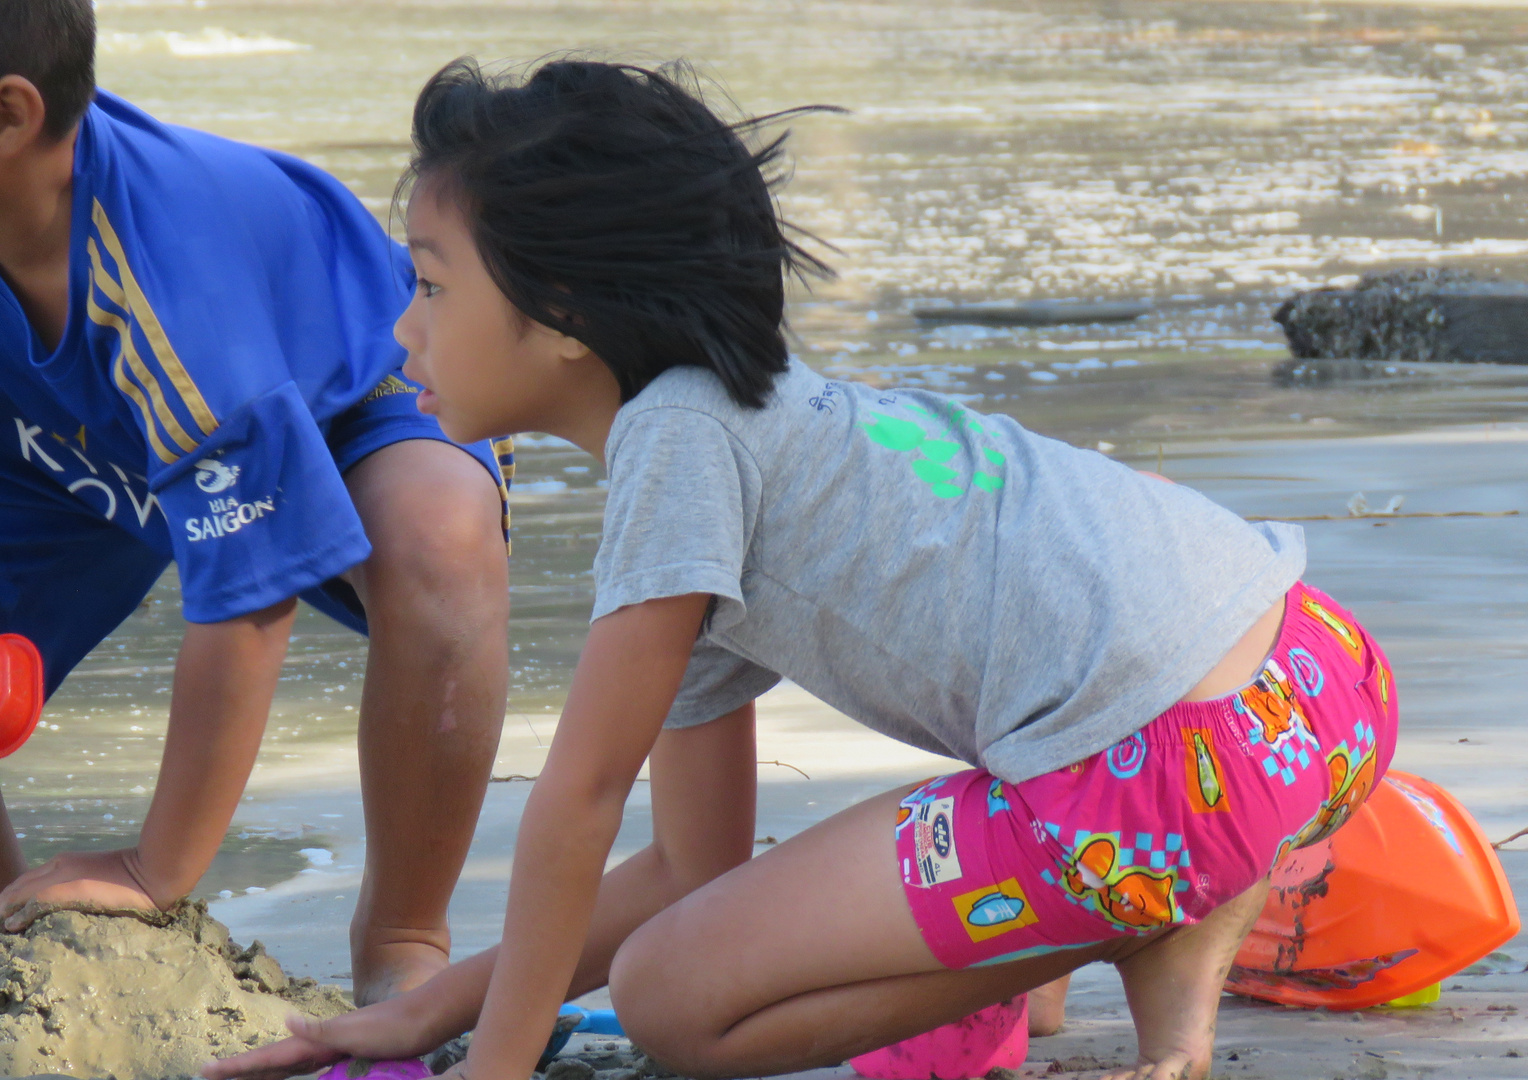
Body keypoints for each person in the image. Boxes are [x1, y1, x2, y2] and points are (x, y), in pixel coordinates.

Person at [204, 57, 1399, 1080]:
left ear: (562, 315)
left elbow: (575, 804)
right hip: (1320, 683)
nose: (401, 330)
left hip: (1172, 773)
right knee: (690, 944)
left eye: (427, 283)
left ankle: (1124, 922)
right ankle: (1139, 915)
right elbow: (691, 862)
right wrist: (435, 1006)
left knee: (672, 1002)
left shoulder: (677, 445)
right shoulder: (746, 420)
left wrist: (500, 1064)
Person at [0, 0, 512, 1004]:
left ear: (5, 117)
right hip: (69, 423)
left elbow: (249, 607)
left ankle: (403, 942)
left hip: (340, 399)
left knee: (440, 536)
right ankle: (23, 952)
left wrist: (157, 868)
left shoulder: (164, 281)